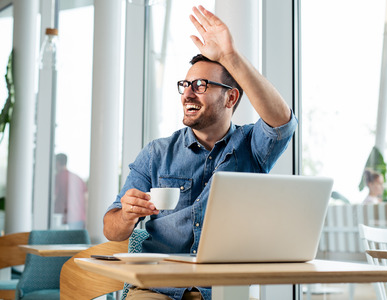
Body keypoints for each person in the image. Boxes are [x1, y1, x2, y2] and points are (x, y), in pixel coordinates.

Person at [103, 6, 298, 300]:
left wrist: (230, 57)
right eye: (185, 85)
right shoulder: (157, 153)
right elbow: (112, 229)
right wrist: (127, 215)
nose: (188, 93)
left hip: (224, 291)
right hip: (157, 289)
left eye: (200, 85)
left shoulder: (252, 147)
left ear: (231, 97)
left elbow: (283, 121)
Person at [54, 153, 87, 229]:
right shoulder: (78, 178)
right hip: (79, 219)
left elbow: (53, 197)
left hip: (64, 220)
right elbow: (86, 200)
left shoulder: (57, 178)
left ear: (57, 163)